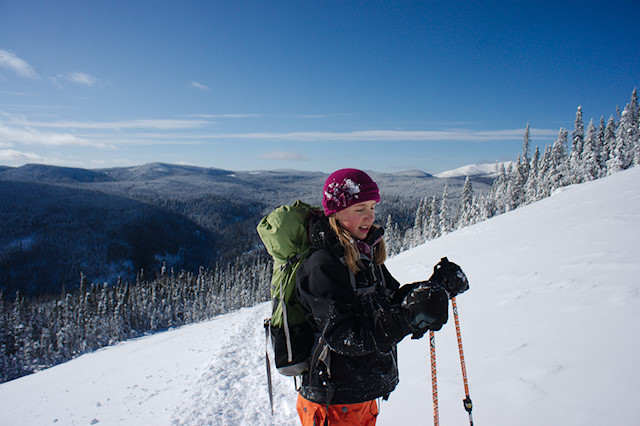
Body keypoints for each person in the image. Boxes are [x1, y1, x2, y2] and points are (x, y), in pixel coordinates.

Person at [295, 168, 468, 426]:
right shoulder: (322, 265)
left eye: (373, 207)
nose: (370, 216)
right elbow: (344, 336)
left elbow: (391, 300)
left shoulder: (363, 254)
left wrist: (434, 289)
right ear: (335, 211)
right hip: (333, 401)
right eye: (359, 208)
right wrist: (407, 318)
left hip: (361, 395)